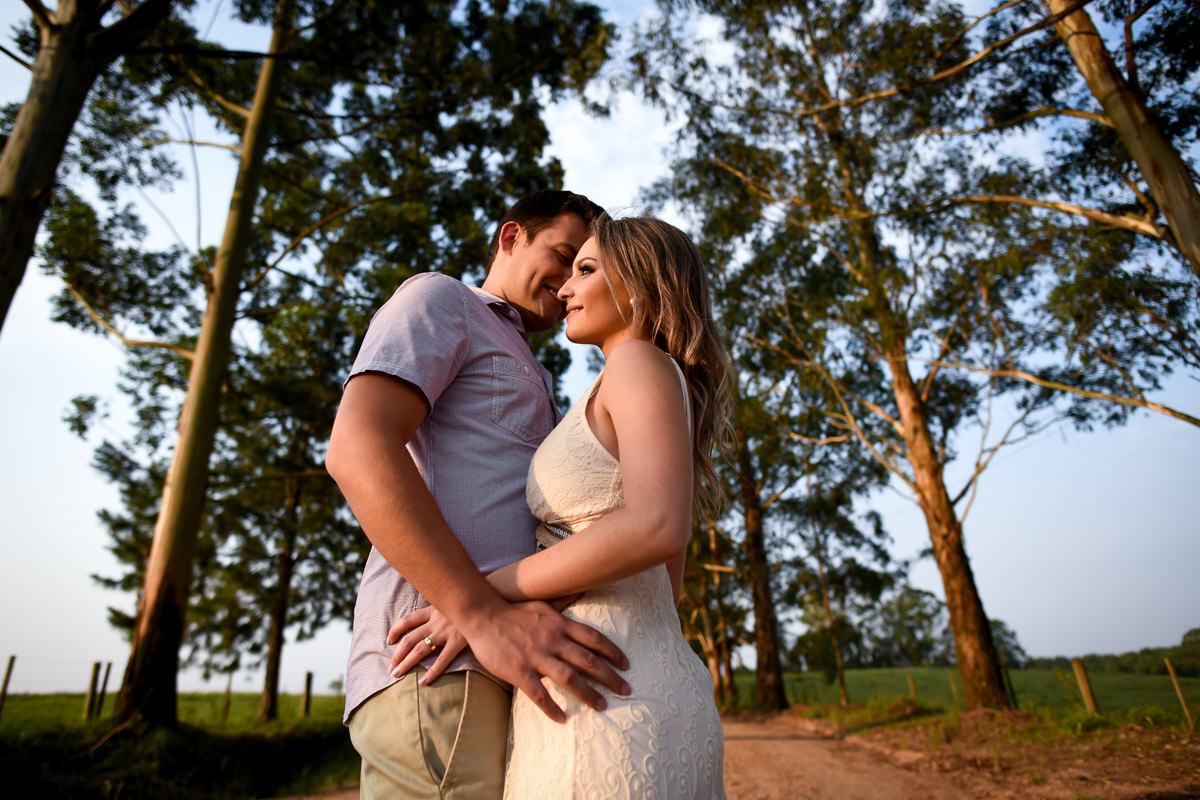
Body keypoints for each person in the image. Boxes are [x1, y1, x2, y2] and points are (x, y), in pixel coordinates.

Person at [389, 214, 731, 798]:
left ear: (643, 286)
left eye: (587, 269)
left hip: (606, 700)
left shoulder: (638, 363)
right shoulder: (633, 385)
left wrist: (479, 596)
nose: (566, 288)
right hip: (620, 674)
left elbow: (655, 528)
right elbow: (659, 587)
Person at [325, 190, 632, 800]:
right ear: (512, 236)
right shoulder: (442, 299)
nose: (569, 281)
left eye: (585, 271)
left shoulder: (538, 372)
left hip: (502, 664)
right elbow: (357, 447)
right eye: (564, 254)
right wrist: (482, 614)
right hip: (441, 664)